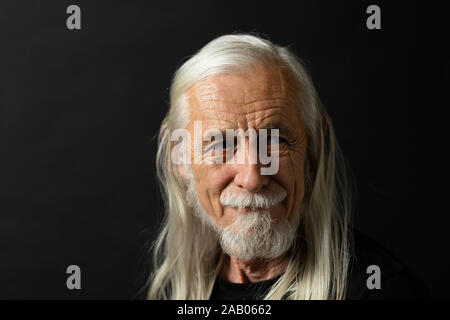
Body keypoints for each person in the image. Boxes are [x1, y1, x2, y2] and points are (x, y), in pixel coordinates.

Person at [147, 34, 427, 300]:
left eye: (275, 140)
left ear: (313, 145)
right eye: (220, 144)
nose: (252, 177)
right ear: (181, 157)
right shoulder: (176, 290)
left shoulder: (380, 290)